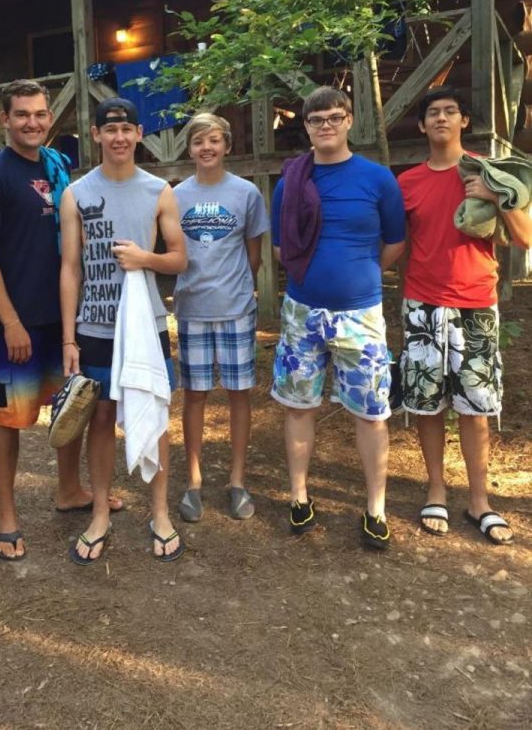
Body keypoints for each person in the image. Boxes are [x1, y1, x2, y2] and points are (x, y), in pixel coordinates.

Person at [0, 80, 122, 560]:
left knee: (71, 406)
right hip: (16, 321)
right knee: (10, 418)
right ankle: (7, 513)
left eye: (39, 114)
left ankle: (70, 489)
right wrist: (9, 321)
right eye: (22, 115)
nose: (32, 122)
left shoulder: (58, 168)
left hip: (64, 317)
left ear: (49, 119)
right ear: (5, 120)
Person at [271, 86, 405, 549]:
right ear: (306, 127)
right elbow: (280, 248)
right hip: (301, 311)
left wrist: (359, 276)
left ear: (349, 120)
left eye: (333, 117)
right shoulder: (291, 182)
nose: (325, 126)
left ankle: (375, 508)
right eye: (316, 120)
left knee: (371, 412)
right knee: (298, 405)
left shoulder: (378, 179)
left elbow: (395, 243)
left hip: (360, 315)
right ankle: (299, 495)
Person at [398, 85, 532, 545]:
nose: (440, 118)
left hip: (476, 302)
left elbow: (525, 238)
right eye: (432, 112)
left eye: (449, 111)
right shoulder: (407, 182)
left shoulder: (487, 171)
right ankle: (435, 489)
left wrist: (495, 199)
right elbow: (397, 243)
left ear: (463, 122)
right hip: (421, 303)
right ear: (421, 125)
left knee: (476, 408)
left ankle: (480, 500)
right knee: (427, 406)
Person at [60, 97, 187, 564]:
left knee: (153, 411)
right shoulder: (76, 193)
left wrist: (145, 260)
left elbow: (178, 258)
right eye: (108, 130)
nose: (118, 137)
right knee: (99, 418)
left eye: (126, 129)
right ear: (95, 135)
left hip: (146, 323)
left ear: (138, 135)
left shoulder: (159, 191)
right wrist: (69, 338)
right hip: (95, 324)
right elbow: (70, 269)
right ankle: (99, 512)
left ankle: (159, 512)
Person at [173, 113, 269, 522]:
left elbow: (253, 253)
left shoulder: (246, 193)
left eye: (214, 140)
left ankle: (236, 481)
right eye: (198, 141)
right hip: (191, 308)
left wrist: (242, 288)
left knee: (238, 395)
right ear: (189, 148)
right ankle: (193, 482)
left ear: (227, 145)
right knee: (193, 395)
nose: (206, 148)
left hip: (235, 309)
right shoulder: (174, 195)